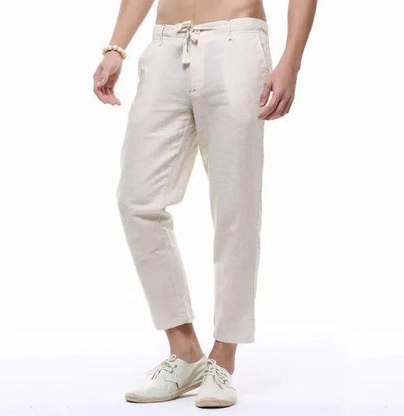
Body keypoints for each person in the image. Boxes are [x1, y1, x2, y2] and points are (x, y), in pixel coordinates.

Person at [93, 0, 317, 408]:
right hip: (166, 46)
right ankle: (185, 352)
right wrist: (116, 46)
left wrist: (292, 61)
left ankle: (223, 358)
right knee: (136, 201)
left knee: (235, 207)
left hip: (236, 42)